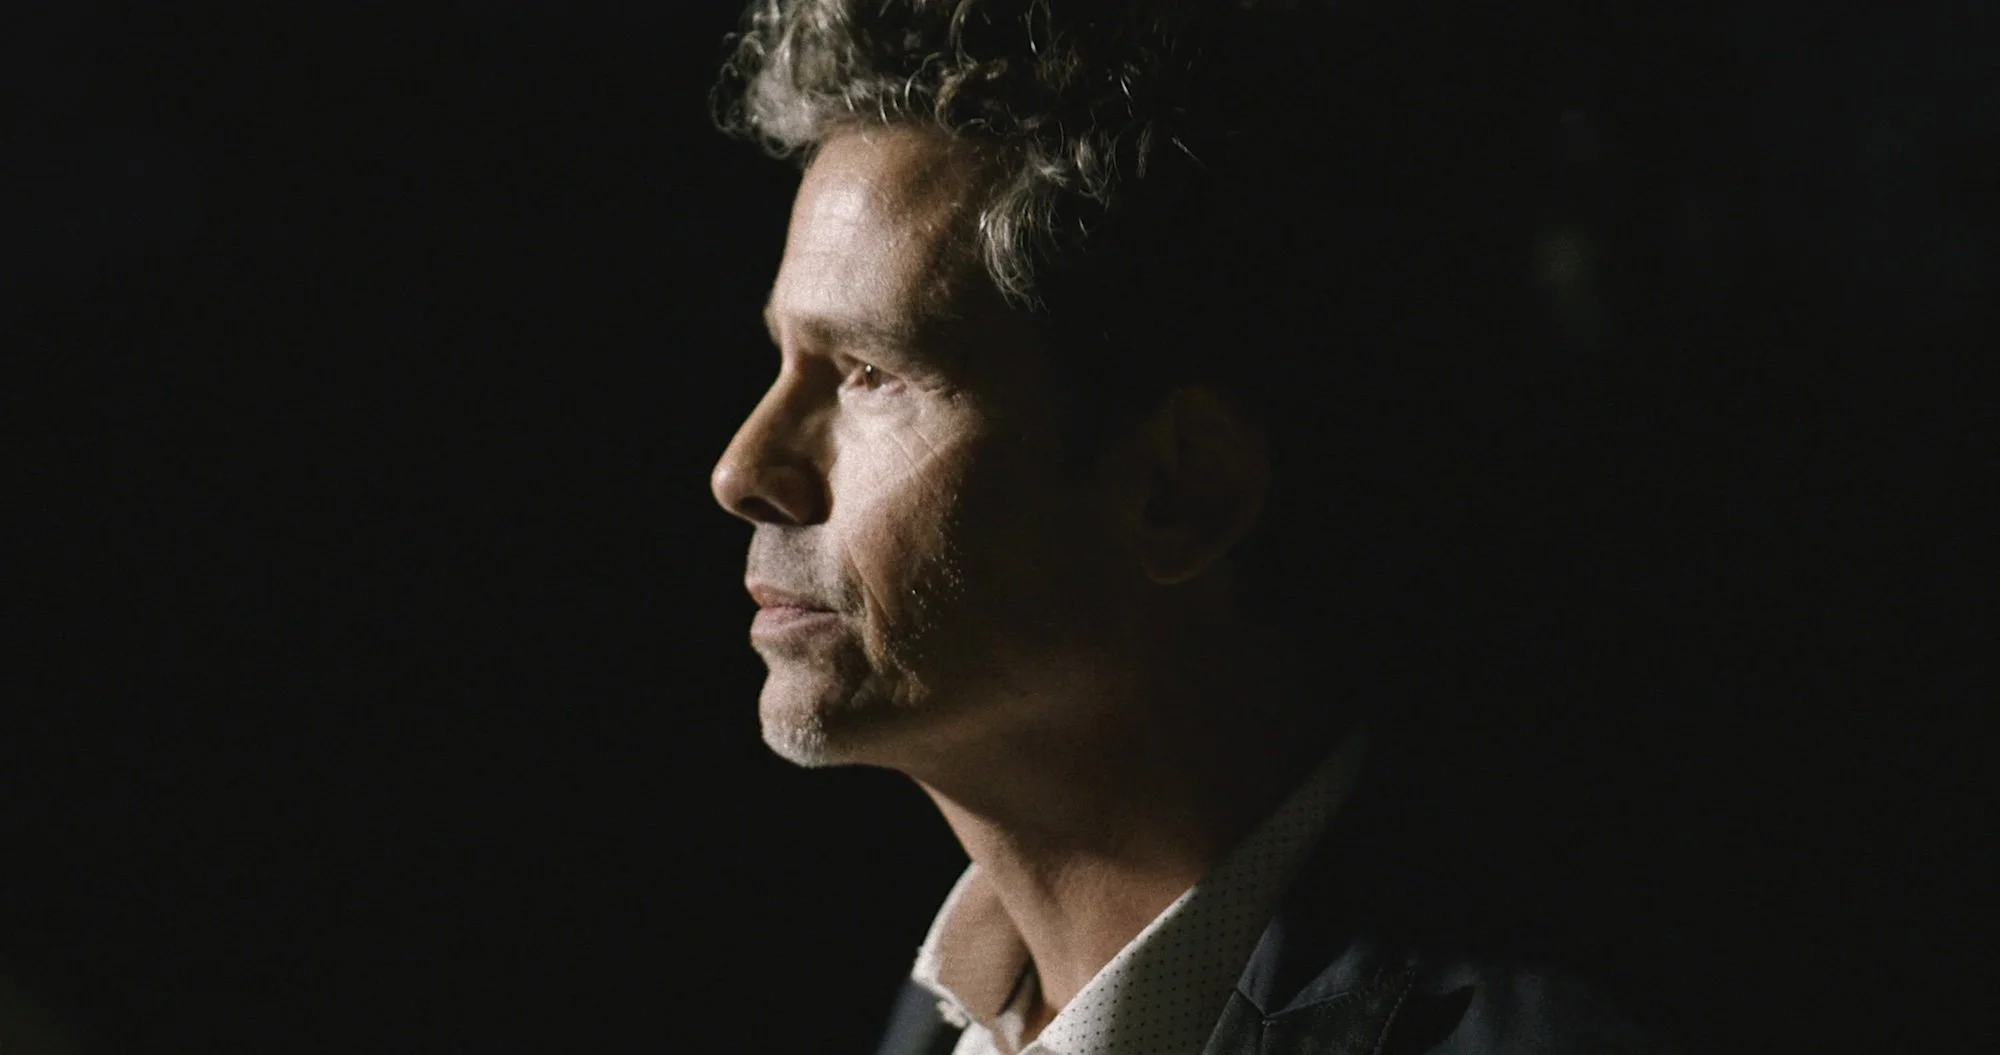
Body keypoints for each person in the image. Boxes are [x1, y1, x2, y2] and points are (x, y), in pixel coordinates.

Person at [707, 1, 1680, 1052]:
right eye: (783, 360)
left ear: (1179, 489)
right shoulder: (950, 1020)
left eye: (869, 372)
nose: (743, 470)